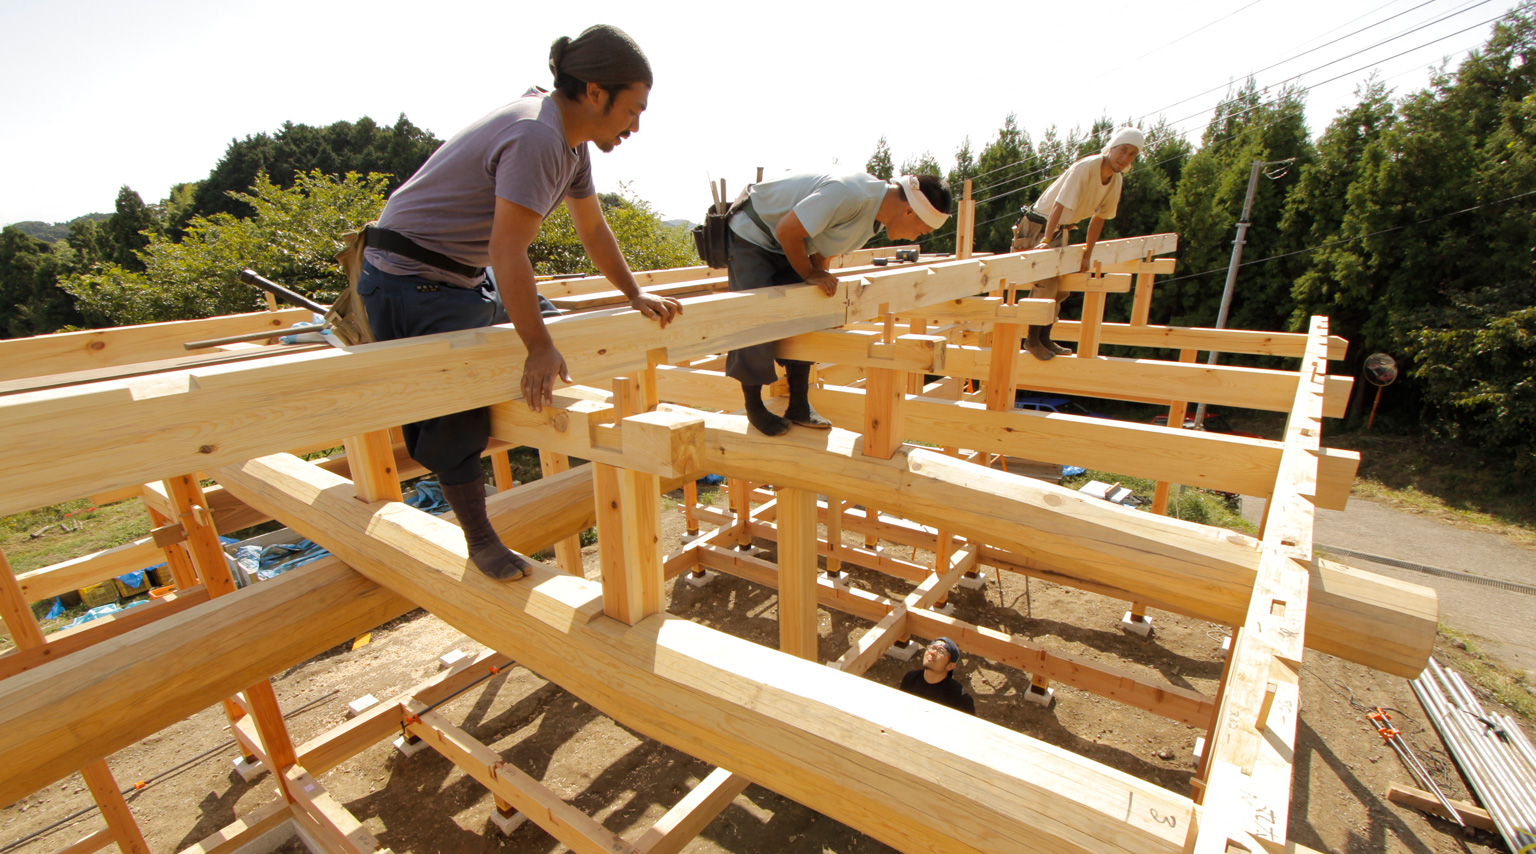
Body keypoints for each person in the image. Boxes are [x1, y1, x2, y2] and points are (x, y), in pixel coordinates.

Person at [356, 24, 681, 582]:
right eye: (633, 109)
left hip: (464, 272)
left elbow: (593, 228)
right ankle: (480, 539)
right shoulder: (538, 138)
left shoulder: (570, 141)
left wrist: (633, 293)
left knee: (558, 335)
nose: (636, 125)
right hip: (410, 277)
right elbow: (508, 248)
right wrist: (534, 348)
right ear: (596, 92)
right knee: (458, 400)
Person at [725, 172, 952, 436]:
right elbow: (787, 230)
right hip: (753, 234)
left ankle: (799, 403)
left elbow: (823, 244)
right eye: (921, 230)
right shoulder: (852, 195)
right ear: (909, 212)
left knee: (806, 311)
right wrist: (810, 274)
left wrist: (819, 291)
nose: (914, 238)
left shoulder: (875, 218)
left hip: (785, 241)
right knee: (757, 317)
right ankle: (754, 406)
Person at [1011, 127, 1144, 360]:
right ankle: (1031, 340)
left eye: (1132, 154)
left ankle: (1044, 337)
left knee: (1062, 287)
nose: (1125, 158)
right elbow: (1058, 205)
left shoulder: (1115, 181)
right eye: (1123, 151)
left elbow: (1099, 218)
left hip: (1060, 230)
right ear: (1112, 148)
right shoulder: (1086, 168)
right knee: (1045, 285)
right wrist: (1045, 240)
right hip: (1038, 225)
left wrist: (1087, 254)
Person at [898, 636, 977, 715]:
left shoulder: (960, 697)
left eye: (941, 651)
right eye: (932, 648)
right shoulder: (911, 678)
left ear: (950, 666)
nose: (932, 652)